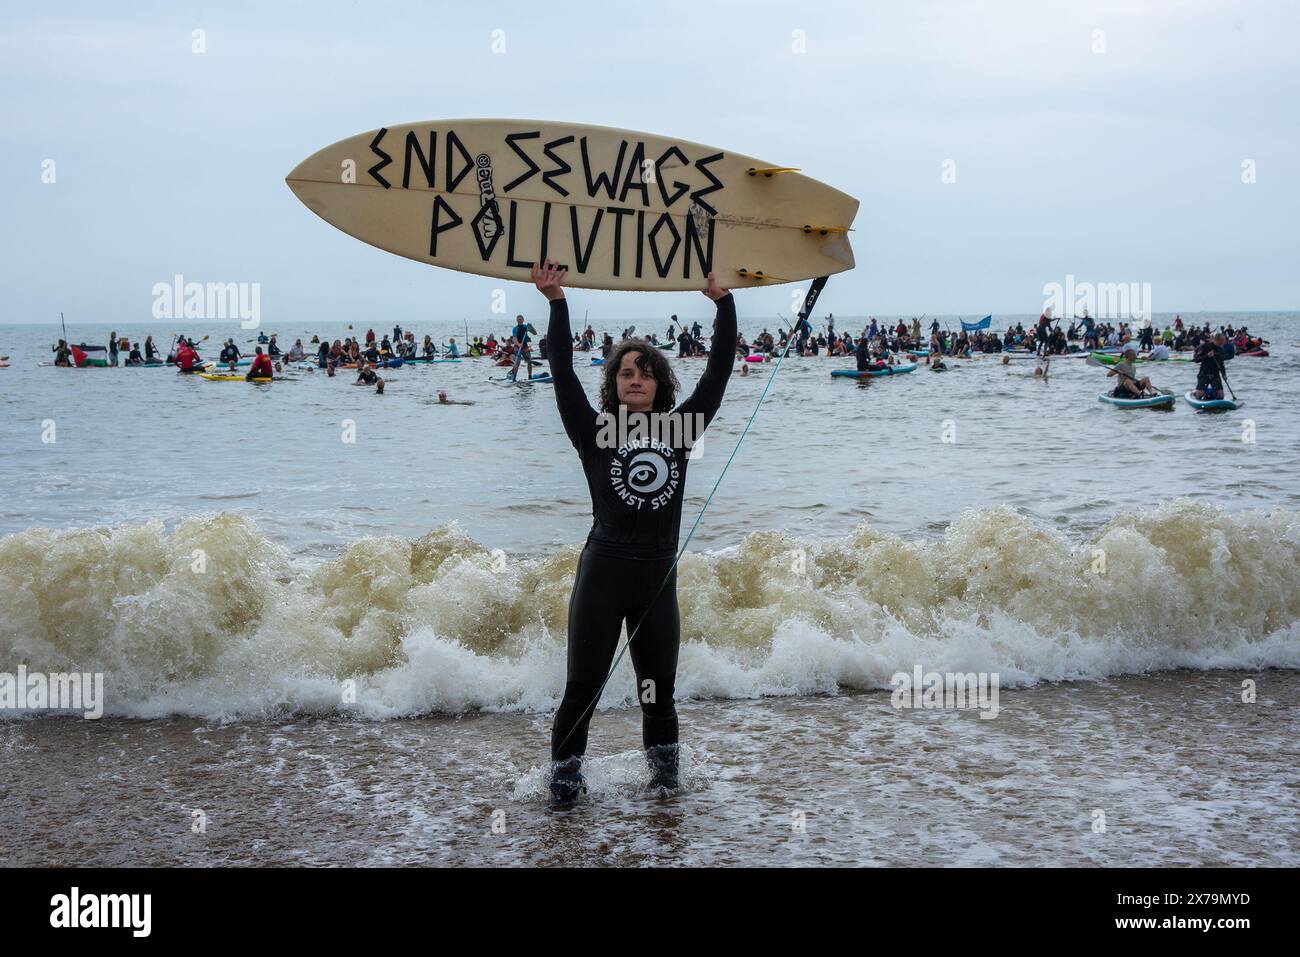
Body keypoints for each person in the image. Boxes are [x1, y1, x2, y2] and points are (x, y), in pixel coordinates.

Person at [539, 258, 736, 803]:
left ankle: (665, 792)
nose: (636, 378)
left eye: (645, 371)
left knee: (659, 695)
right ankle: (564, 788)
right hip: (602, 574)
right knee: (582, 689)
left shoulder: (679, 430)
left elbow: (718, 374)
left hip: (656, 578)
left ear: (659, 382)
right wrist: (557, 303)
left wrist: (723, 303)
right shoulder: (593, 430)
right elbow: (560, 371)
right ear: (615, 383)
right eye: (626, 371)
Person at [1192, 333, 1229, 400]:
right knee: (1199, 396)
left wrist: (1224, 375)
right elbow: (1196, 359)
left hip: (1215, 374)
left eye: (1224, 341)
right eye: (1222, 341)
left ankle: (1211, 395)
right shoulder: (1206, 347)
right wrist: (1207, 356)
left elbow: (1221, 364)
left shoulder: (1221, 350)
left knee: (1221, 396)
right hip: (1204, 373)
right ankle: (1196, 393)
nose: (1224, 342)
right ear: (1217, 340)